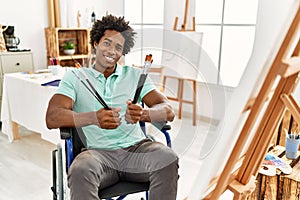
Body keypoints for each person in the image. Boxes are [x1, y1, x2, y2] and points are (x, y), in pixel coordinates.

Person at [46, 14, 178, 200]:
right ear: (95, 43)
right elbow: (52, 117)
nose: (112, 51)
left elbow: (168, 110)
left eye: (118, 47)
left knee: (166, 159)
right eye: (107, 43)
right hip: (97, 155)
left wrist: (145, 114)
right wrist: (93, 118)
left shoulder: (135, 75)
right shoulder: (75, 77)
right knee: (80, 169)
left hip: (137, 150)